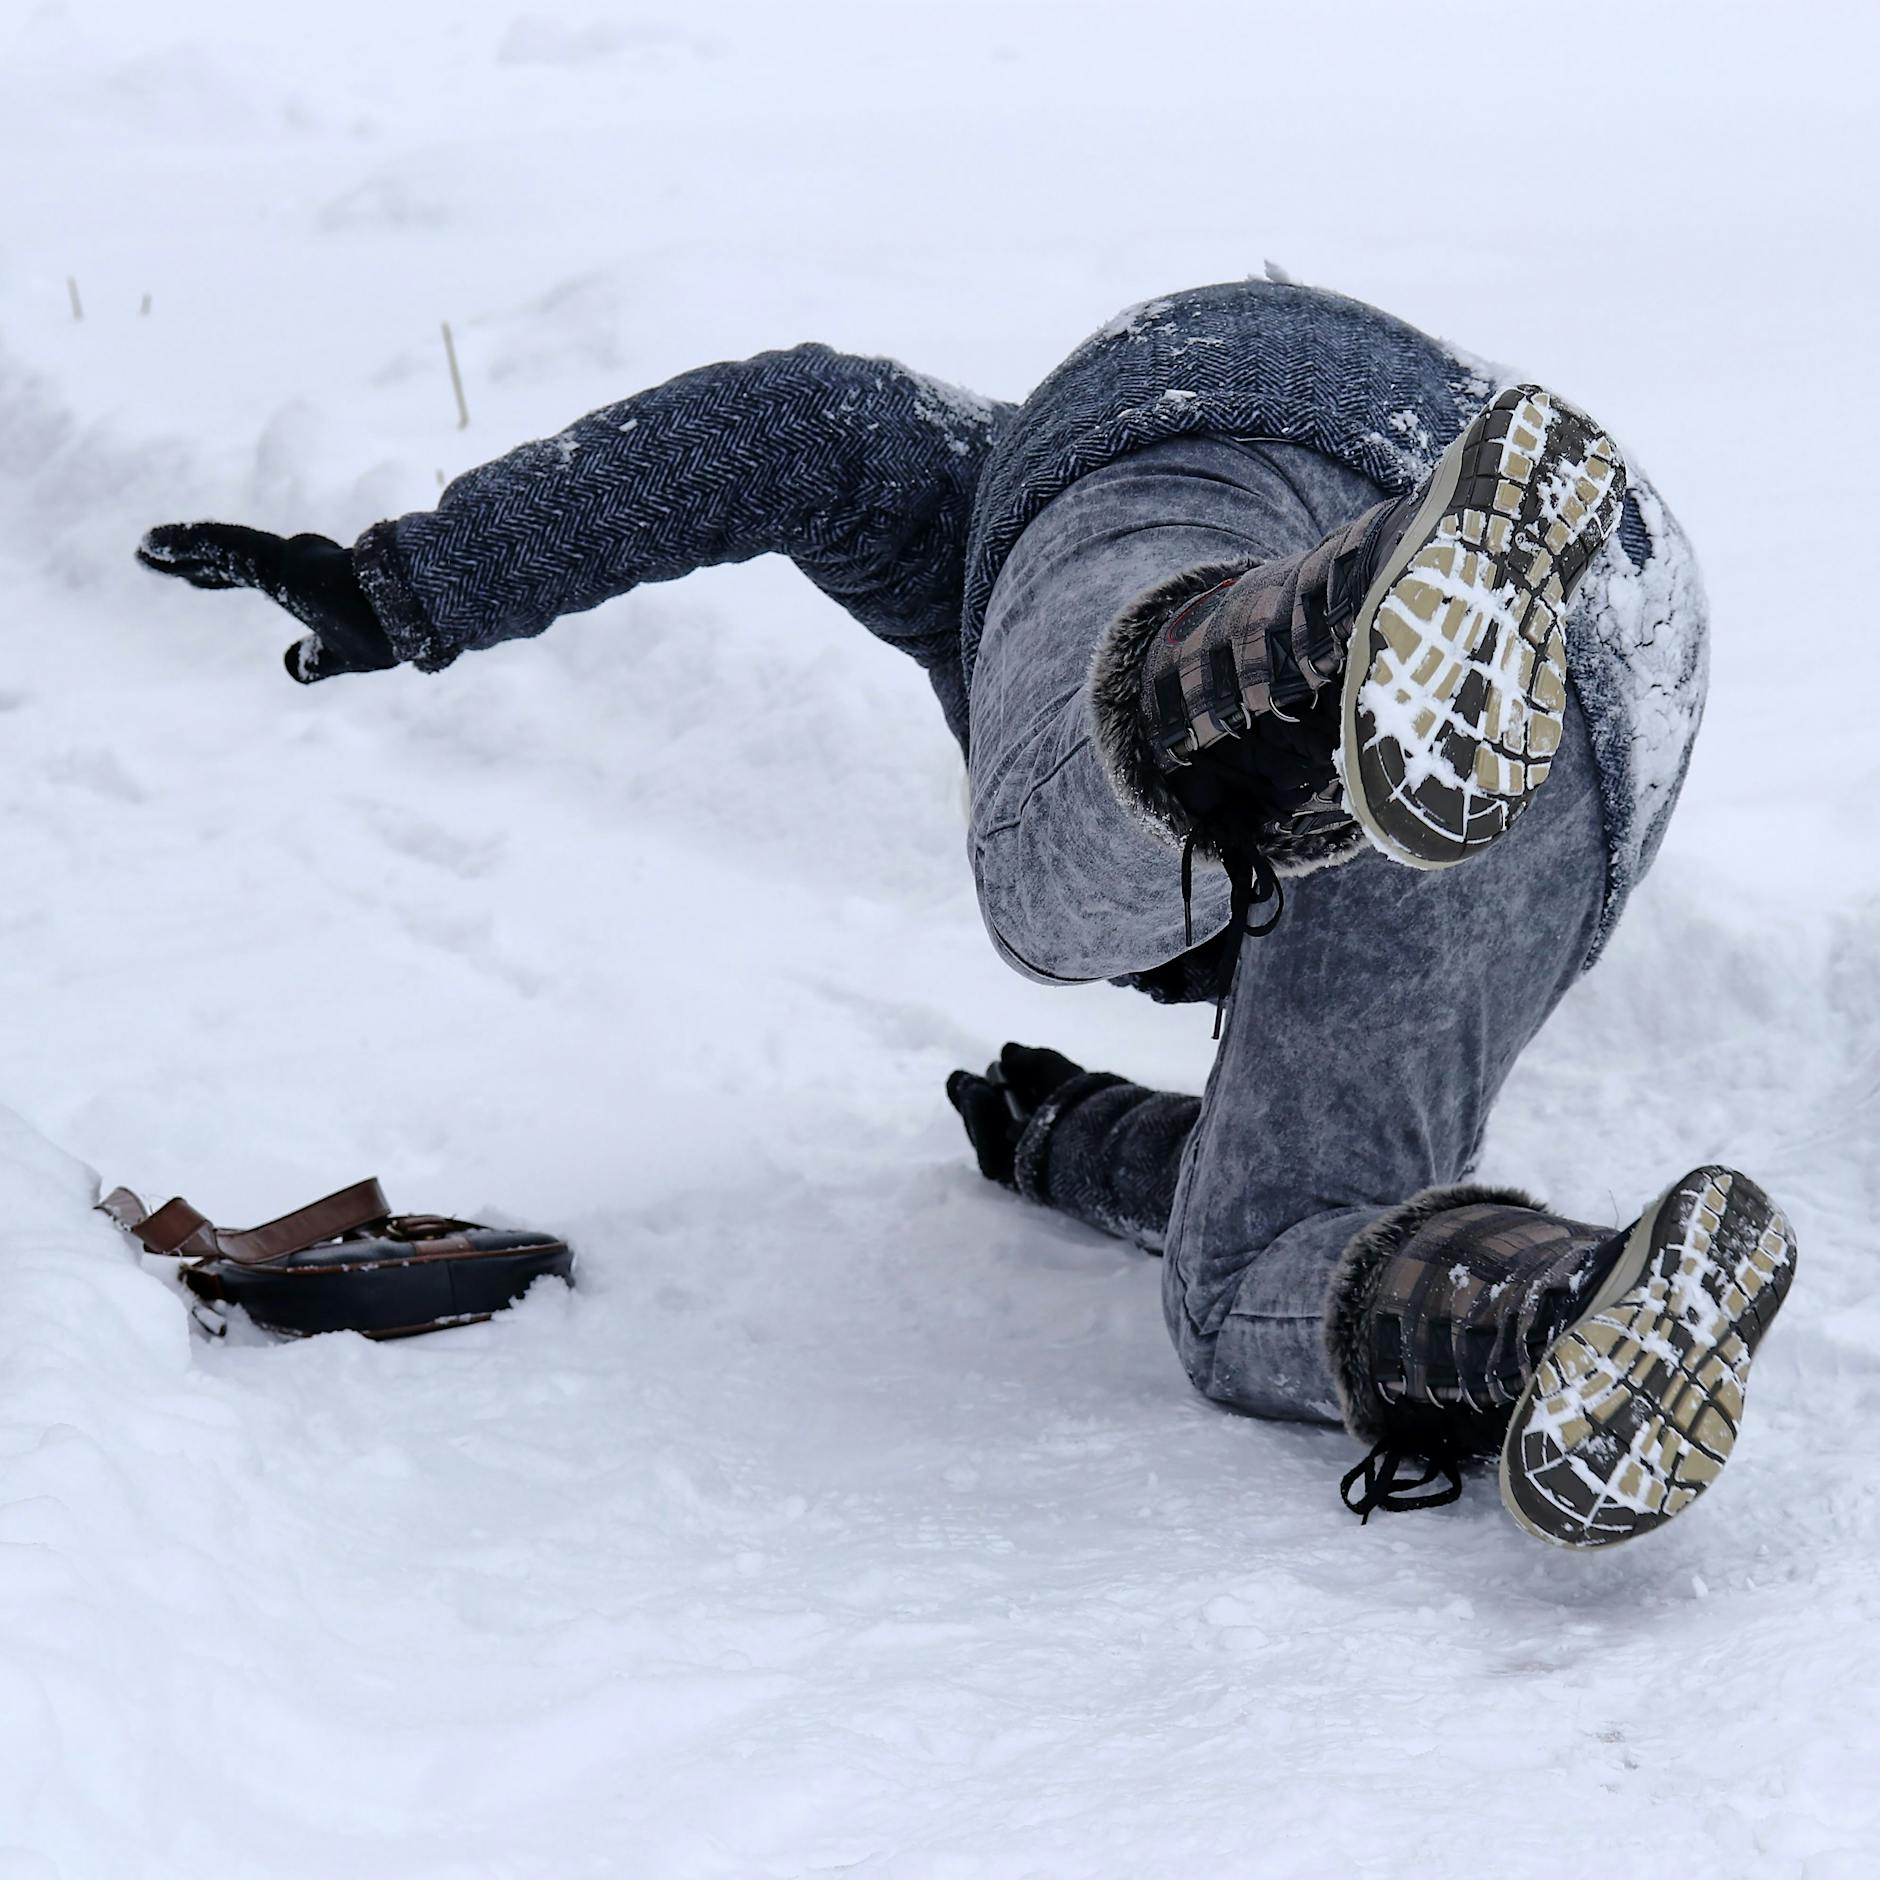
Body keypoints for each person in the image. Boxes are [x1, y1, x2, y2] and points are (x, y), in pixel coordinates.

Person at [138, 276, 1796, 1548]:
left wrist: (415, 582)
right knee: (1251, 1278)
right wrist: (1072, 1142)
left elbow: (799, 426)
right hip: (1618, 663)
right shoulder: (1409, 786)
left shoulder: (973, 492)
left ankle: (1328, 628)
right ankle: (1570, 1320)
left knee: (1058, 888)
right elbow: (1232, 1164)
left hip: (1211, 412)